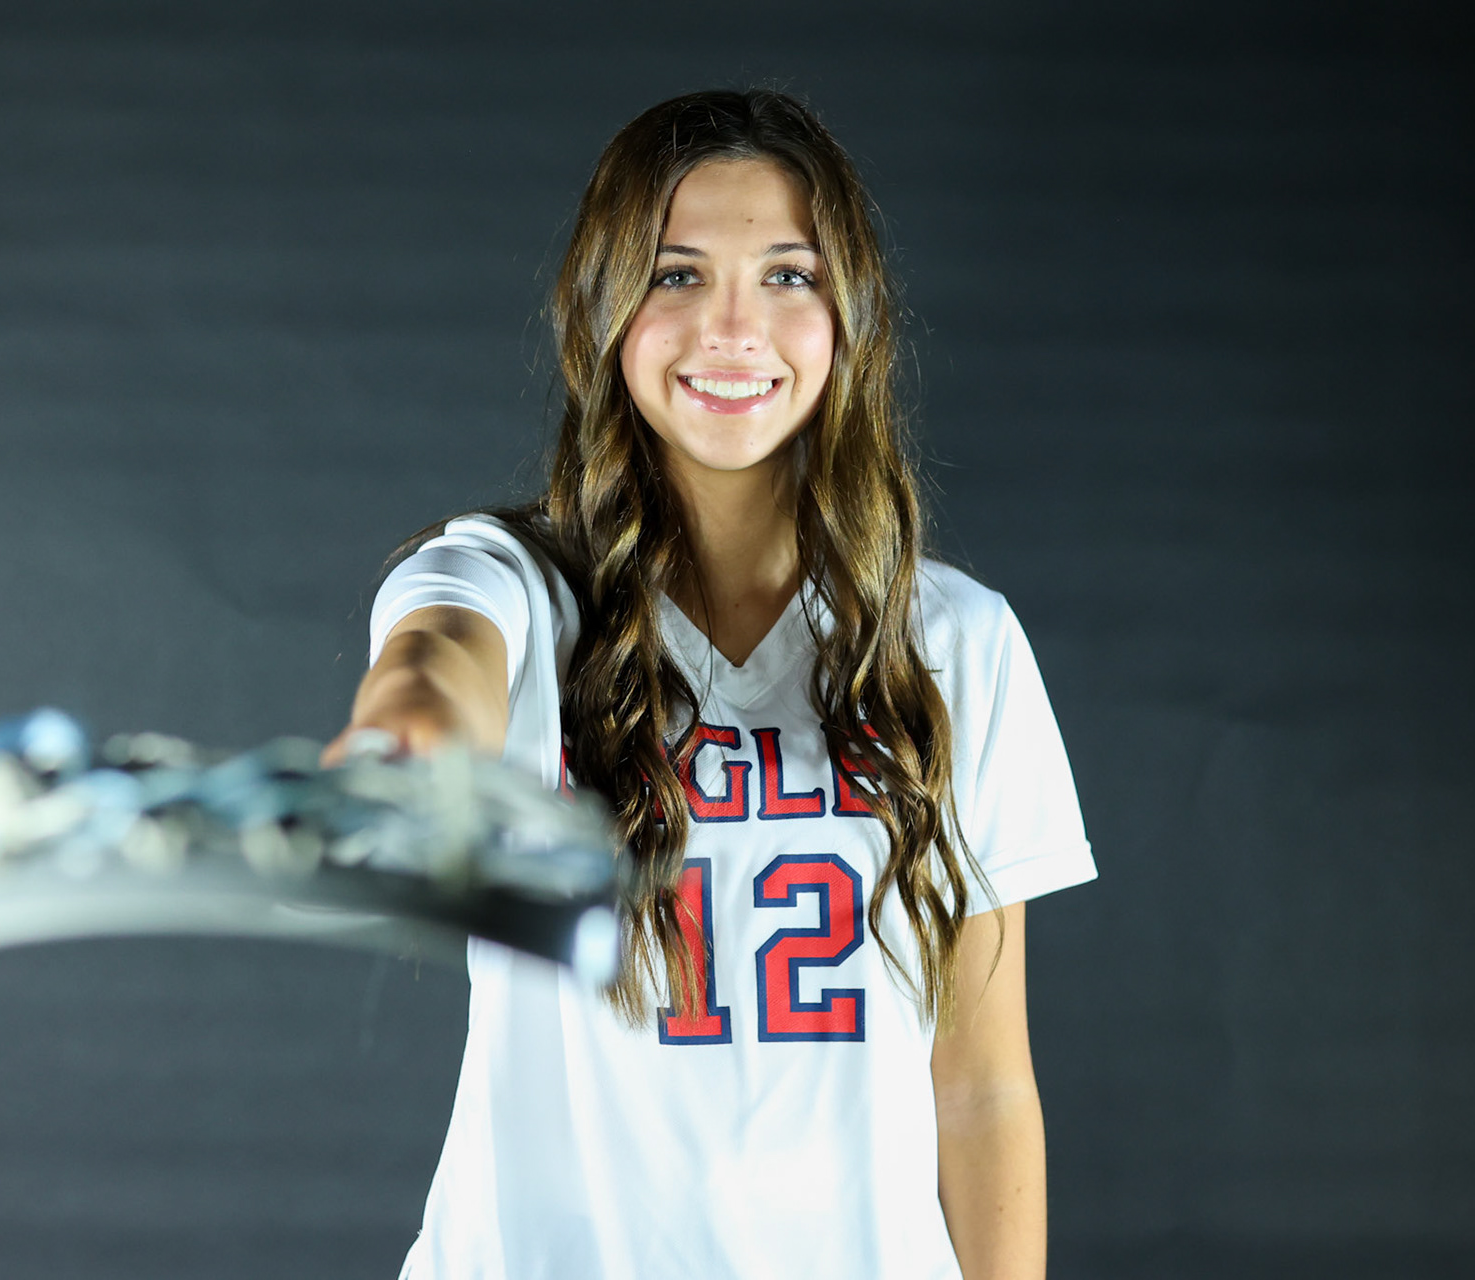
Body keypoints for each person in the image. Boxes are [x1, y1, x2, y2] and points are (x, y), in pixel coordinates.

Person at [326, 89, 1096, 1280]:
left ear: (851, 316)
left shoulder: (958, 641)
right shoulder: (513, 582)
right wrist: (409, 734)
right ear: (603, 308)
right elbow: (437, 652)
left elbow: (985, 1082)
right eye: (677, 275)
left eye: (787, 276)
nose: (733, 328)